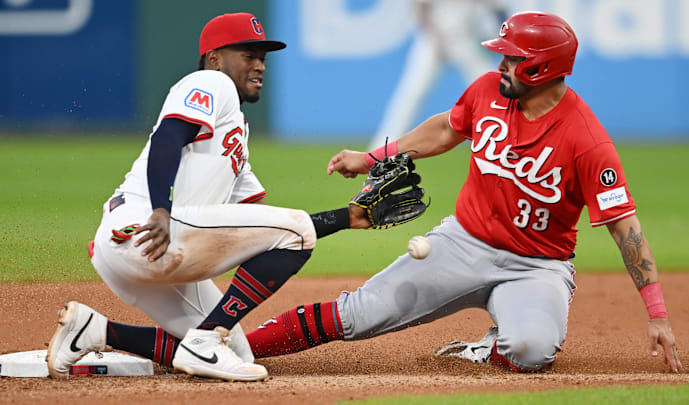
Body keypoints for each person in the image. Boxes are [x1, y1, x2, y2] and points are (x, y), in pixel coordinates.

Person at [244, 11, 682, 373]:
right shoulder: (488, 91)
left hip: (538, 266)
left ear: (542, 67)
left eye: (512, 58)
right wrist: (375, 157)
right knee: (358, 315)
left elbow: (625, 228)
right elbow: (445, 129)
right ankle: (241, 348)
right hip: (462, 243)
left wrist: (657, 312)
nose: (501, 65)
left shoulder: (587, 142)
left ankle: (486, 346)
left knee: (530, 352)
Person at [46, 12, 415, 382]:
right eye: (248, 55)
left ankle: (95, 330)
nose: (259, 66)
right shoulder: (211, 82)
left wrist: (350, 216)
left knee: (236, 351)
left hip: (145, 247)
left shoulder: (235, 137)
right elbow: (168, 136)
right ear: (215, 58)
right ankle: (204, 340)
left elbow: (260, 233)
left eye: (263, 59)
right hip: (147, 228)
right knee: (284, 248)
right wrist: (161, 208)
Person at [369, 0, 507, 149]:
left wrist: (495, 35)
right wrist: (433, 35)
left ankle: (512, 140)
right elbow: (420, 8)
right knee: (413, 92)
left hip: (464, 39)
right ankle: (384, 146)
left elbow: (497, 8)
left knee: (494, 89)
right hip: (433, 40)